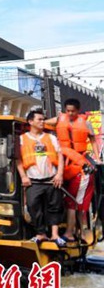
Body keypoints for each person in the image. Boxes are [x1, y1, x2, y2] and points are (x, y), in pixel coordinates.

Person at [45, 98, 101, 242]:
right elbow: (42, 123)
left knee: (76, 202)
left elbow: (93, 140)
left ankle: (75, 231)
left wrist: (96, 157)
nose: (70, 114)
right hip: (64, 164)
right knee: (64, 200)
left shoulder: (86, 122)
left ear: (78, 110)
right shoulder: (59, 119)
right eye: (68, 111)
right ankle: (72, 230)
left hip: (80, 165)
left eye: (73, 111)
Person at [17, 108, 65, 246]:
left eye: (43, 119)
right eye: (40, 119)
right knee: (33, 206)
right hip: (33, 181)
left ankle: (55, 235)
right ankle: (41, 234)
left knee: (55, 206)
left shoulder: (51, 138)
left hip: (52, 179)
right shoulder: (22, 139)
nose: (43, 121)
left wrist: (59, 174)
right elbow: (18, 160)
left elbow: (60, 156)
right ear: (30, 121)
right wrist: (23, 176)